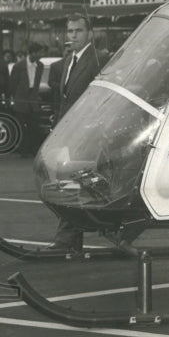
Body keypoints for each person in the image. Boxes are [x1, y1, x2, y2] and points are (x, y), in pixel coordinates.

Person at [45, 15, 106, 252]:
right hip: (68, 133)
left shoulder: (98, 60)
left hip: (87, 134)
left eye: (78, 31)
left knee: (74, 185)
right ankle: (71, 239)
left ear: (90, 33)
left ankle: (66, 239)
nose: (72, 35)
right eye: (69, 31)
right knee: (69, 184)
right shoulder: (69, 60)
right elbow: (64, 101)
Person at [9, 42, 46, 157]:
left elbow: (37, 83)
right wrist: (14, 99)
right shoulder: (19, 66)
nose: (42, 54)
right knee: (21, 126)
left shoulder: (40, 66)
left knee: (34, 125)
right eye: (40, 52)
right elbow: (13, 84)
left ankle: (33, 149)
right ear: (33, 52)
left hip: (33, 100)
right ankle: (23, 149)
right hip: (21, 99)